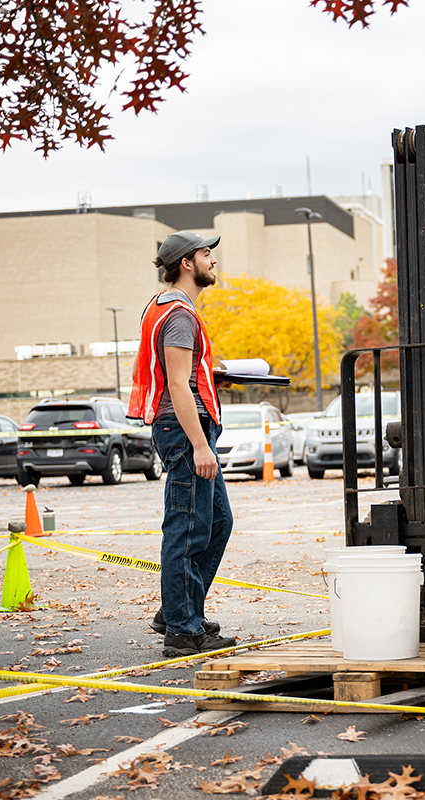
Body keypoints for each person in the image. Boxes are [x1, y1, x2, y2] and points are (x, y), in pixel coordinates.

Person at [128, 231, 237, 657]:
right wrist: (199, 445)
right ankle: (181, 628)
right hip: (184, 430)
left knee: (217, 522)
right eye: (207, 253)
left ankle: (178, 610)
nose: (213, 259)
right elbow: (176, 384)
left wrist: (213, 374)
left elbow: (183, 373)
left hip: (183, 426)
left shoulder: (165, 308)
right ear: (187, 263)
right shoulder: (178, 314)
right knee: (186, 530)